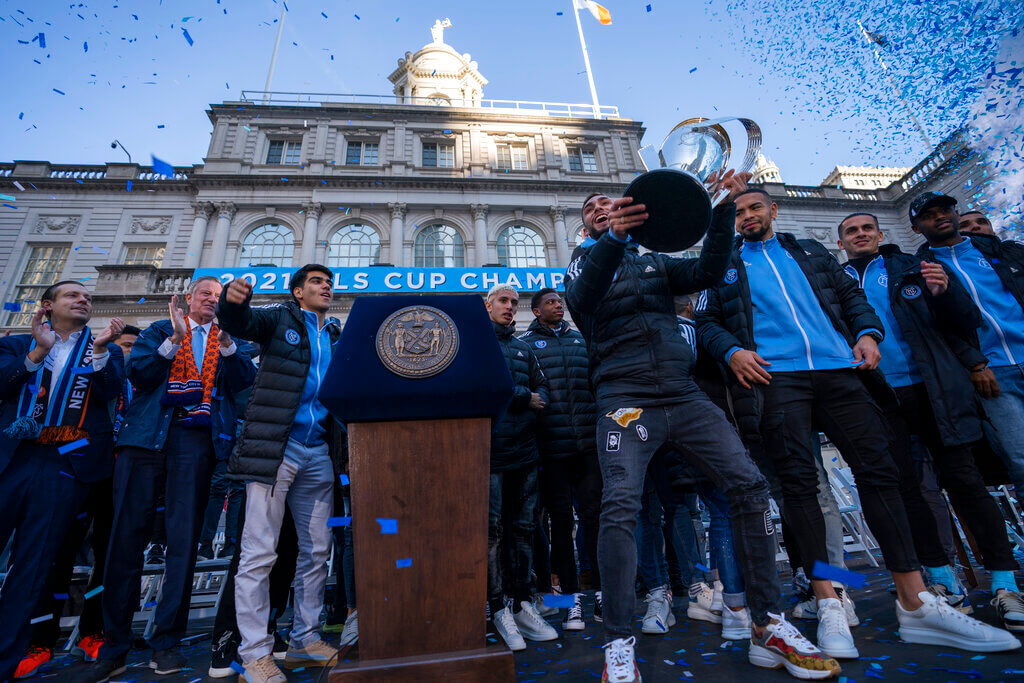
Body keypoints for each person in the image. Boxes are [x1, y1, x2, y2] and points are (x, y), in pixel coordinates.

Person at [696, 187, 1019, 660]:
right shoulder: (721, 264)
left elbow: (851, 297)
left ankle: (916, 600)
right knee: (800, 487)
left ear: (773, 210)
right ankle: (828, 602)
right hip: (776, 378)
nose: (747, 216)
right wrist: (732, 350)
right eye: (738, 211)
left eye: (754, 208)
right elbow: (706, 323)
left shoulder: (809, 250)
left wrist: (868, 334)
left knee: (881, 474)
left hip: (840, 371)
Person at [567, 175, 841, 683]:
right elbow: (585, 297)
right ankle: (619, 644)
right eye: (594, 207)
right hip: (624, 401)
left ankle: (767, 624)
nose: (604, 207)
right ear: (586, 225)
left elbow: (711, 269)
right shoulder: (584, 262)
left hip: (682, 393)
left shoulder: (654, 261)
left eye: (612, 201)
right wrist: (615, 239)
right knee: (622, 505)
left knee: (749, 485)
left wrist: (720, 212)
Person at [838, 211, 1023, 629]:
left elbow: (963, 320)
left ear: (881, 234)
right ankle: (941, 581)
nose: (861, 234)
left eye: (867, 228)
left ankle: (1004, 583)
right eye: (852, 231)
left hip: (935, 387)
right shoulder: (836, 281)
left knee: (966, 483)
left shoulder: (913, 265)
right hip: (881, 395)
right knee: (909, 490)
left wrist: (946, 298)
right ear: (841, 243)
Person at [68, 276, 256, 683]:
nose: (211, 300)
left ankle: (166, 642)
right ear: (188, 299)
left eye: (219, 296)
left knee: (183, 544)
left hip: (195, 442)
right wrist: (173, 338)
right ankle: (114, 646)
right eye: (204, 293)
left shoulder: (232, 339)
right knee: (124, 542)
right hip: (143, 441)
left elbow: (244, 386)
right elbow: (141, 375)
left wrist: (228, 347)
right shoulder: (158, 329)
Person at [217, 265, 348, 683]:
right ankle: (255, 653)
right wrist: (231, 302)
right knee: (259, 553)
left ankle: (305, 640)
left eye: (329, 283)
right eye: (316, 282)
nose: (326, 287)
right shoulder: (278, 318)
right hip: (277, 451)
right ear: (296, 292)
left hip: (318, 453)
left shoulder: (333, 335)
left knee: (316, 551)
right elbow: (242, 322)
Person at [0, 281, 126, 683]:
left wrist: (104, 350)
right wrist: (37, 351)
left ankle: (4, 659)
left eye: (87, 297)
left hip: (63, 467)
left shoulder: (100, 350)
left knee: (33, 567)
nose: (84, 300)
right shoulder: (16, 344)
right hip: (11, 459)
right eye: (74, 295)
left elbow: (110, 392)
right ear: (48, 305)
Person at [911, 192, 1024, 626]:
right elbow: (934, 327)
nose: (942, 217)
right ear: (916, 226)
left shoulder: (1001, 252)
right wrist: (974, 361)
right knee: (1017, 461)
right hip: (989, 373)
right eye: (929, 214)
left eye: (946, 210)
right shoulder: (918, 269)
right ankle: (955, 579)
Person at [518, 287, 602, 631]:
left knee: (594, 520)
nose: (558, 306)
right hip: (551, 449)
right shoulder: (525, 344)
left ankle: (599, 594)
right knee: (560, 524)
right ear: (536, 311)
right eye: (551, 302)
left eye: (560, 302)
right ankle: (569, 603)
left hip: (588, 447)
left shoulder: (581, 340)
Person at [484, 283, 557, 652]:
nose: (510, 307)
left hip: (526, 453)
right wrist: (523, 397)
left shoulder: (524, 347)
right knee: (493, 532)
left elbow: (544, 391)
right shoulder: (477, 345)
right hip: (490, 453)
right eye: (503, 301)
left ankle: (523, 601)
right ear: (487, 306)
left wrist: (530, 397)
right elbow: (484, 387)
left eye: (514, 302)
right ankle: (497, 607)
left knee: (525, 529)